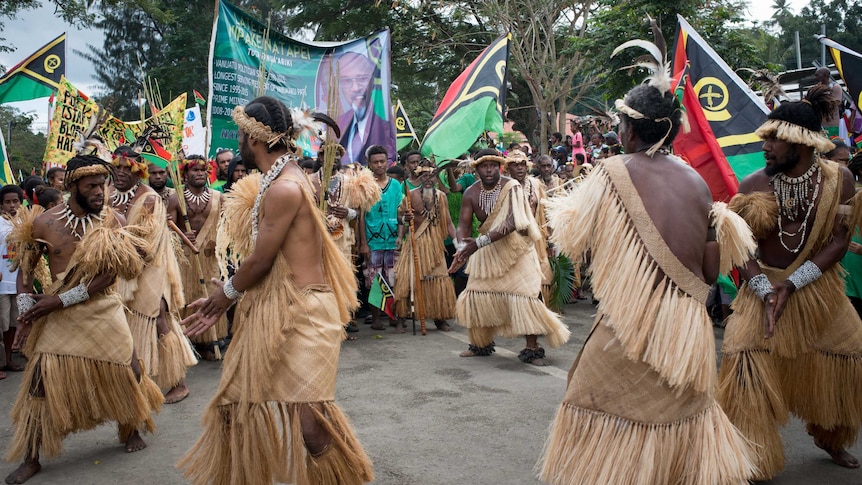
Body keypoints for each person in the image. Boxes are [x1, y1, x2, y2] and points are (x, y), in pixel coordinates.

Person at [539, 51, 756, 483]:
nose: (617, 132)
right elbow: (712, 273)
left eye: (620, 124)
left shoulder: (613, 171)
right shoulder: (694, 179)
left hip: (635, 321)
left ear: (631, 130)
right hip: (689, 325)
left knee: (591, 396)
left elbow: (574, 242)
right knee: (679, 407)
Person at [178, 96, 373, 485]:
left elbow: (262, 261)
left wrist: (224, 296)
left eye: (240, 135)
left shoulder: (285, 187)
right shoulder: (283, 179)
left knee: (311, 423)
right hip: (280, 307)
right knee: (235, 401)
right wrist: (232, 291)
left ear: (255, 137)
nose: (237, 144)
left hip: (303, 311)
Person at [718, 84, 862, 479]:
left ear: (801, 143)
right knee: (744, 360)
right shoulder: (752, 187)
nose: (765, 146)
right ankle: (751, 455)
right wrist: (766, 289)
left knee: (849, 356)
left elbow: (839, 241)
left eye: (775, 139)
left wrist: (794, 283)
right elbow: (741, 249)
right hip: (761, 289)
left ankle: (830, 435)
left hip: (817, 288)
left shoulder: (840, 180)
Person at [4, 155, 163, 484]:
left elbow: (108, 277)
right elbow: (26, 269)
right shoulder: (43, 223)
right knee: (39, 383)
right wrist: (25, 311)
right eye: (91, 186)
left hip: (101, 306)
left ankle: (131, 428)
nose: (99, 192)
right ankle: (32, 456)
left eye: (102, 185)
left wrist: (57, 301)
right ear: (71, 186)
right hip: (56, 313)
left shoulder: (112, 221)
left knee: (130, 369)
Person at [449, 148, 570, 366]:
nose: (489, 170)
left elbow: (513, 222)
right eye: (484, 165)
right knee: (477, 295)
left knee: (526, 296)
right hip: (486, 251)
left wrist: (476, 244)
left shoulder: (511, 187)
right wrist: (460, 246)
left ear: (500, 167)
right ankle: (480, 343)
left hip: (517, 249)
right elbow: (462, 225)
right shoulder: (470, 192)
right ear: (476, 169)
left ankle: (532, 348)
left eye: (494, 165)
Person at [110, 146, 196, 404]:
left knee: (158, 315)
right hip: (118, 267)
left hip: (151, 265)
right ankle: (135, 378)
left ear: (139, 171)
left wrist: (119, 250)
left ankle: (177, 382)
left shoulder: (149, 198)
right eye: (118, 168)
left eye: (128, 169)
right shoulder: (107, 196)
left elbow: (149, 243)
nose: (121, 173)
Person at [175, 155, 227, 360]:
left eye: (202, 170)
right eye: (194, 170)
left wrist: (218, 241)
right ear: (185, 174)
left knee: (209, 292)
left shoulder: (218, 197)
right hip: (185, 256)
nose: (199, 173)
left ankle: (207, 341)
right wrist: (180, 235)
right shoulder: (175, 198)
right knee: (185, 296)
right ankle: (185, 341)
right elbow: (166, 228)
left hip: (209, 255)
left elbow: (226, 226)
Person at [393, 165, 456, 332]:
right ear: (419, 178)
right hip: (416, 242)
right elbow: (400, 218)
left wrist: (459, 245)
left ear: (437, 178)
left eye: (432, 176)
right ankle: (401, 319)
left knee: (439, 279)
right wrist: (404, 223)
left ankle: (440, 319)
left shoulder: (441, 197)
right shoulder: (410, 195)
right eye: (425, 176)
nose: (429, 179)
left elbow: (448, 222)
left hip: (435, 244)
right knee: (407, 280)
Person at [358, 145, 406, 331]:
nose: (379, 165)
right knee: (374, 280)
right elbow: (361, 217)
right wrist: (363, 243)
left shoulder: (396, 186)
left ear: (388, 162)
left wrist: (401, 235)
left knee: (393, 278)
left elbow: (401, 212)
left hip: (393, 239)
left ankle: (392, 314)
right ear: (369, 164)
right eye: (375, 162)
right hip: (373, 240)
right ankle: (376, 318)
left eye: (382, 161)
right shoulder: (365, 186)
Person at [337, 52, 395, 166]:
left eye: (362, 79)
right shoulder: (336, 126)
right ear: (340, 85)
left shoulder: (385, 125)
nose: (355, 88)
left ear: (372, 81)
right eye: (347, 81)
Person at [0, 184, 23, 381]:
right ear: (1, 205)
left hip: (18, 282)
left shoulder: (25, 223)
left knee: (13, 324)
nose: (12, 205)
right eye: (7, 202)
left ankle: (8, 359)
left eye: (15, 201)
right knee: (1, 325)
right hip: (1, 283)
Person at [812, 67, 844, 137]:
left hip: (831, 124)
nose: (815, 77)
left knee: (832, 145)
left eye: (817, 75)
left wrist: (820, 101)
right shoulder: (816, 88)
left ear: (825, 75)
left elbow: (837, 102)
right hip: (819, 124)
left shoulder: (835, 87)